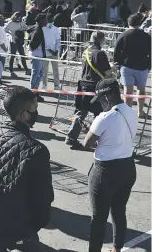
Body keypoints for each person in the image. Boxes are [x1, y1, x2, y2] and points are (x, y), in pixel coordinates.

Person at [0, 86, 53, 251]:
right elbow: (43, 198)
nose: (36, 113)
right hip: (21, 229)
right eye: (34, 109)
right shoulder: (36, 150)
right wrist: (34, 226)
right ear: (23, 114)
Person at [83, 79, 137, 252]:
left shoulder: (104, 117)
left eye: (100, 99)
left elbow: (87, 143)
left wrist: (90, 130)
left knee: (98, 217)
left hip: (105, 172)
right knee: (119, 211)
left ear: (106, 96)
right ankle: (117, 248)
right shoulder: (131, 112)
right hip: (128, 167)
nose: (99, 102)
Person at [65, 31, 114, 148]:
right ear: (101, 40)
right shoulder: (100, 54)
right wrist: (113, 69)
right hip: (96, 86)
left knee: (81, 112)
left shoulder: (86, 51)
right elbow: (107, 73)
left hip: (83, 84)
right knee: (100, 113)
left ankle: (71, 137)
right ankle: (98, 139)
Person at [114, 13, 151, 119]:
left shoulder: (124, 35)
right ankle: (140, 111)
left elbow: (116, 50)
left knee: (128, 90)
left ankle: (127, 112)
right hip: (142, 66)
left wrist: (117, 63)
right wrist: (149, 65)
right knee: (141, 89)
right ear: (139, 23)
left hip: (126, 66)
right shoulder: (147, 36)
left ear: (128, 23)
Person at [4, 12, 30, 77]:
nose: (18, 18)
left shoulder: (21, 22)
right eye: (17, 17)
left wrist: (22, 30)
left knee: (22, 55)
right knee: (12, 56)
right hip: (13, 41)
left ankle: (26, 69)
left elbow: (26, 28)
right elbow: (5, 29)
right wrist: (11, 34)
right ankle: (11, 70)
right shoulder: (10, 23)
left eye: (19, 17)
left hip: (20, 40)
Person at [29, 14, 46, 102]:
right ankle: (32, 92)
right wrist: (33, 50)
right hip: (36, 55)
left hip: (40, 55)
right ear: (39, 21)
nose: (45, 21)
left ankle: (35, 90)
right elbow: (31, 44)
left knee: (41, 73)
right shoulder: (37, 31)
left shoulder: (39, 29)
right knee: (36, 73)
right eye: (44, 20)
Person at [42, 14, 61, 90]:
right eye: (50, 20)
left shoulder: (56, 29)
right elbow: (44, 42)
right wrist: (49, 50)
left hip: (55, 52)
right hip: (46, 52)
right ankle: (44, 85)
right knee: (45, 69)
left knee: (55, 69)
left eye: (52, 20)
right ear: (47, 20)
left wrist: (56, 50)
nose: (51, 21)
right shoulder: (43, 29)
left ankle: (56, 85)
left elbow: (58, 40)